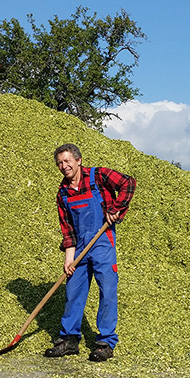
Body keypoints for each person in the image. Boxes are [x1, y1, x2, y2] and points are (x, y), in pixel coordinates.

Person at [44, 143, 136, 362]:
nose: (63, 166)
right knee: (73, 290)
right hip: (79, 248)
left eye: (67, 161)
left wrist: (116, 209)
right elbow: (67, 227)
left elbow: (128, 183)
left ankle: (105, 342)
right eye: (59, 163)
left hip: (102, 242)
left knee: (107, 290)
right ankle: (69, 340)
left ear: (78, 160)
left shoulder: (98, 176)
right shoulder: (62, 192)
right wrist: (69, 257)